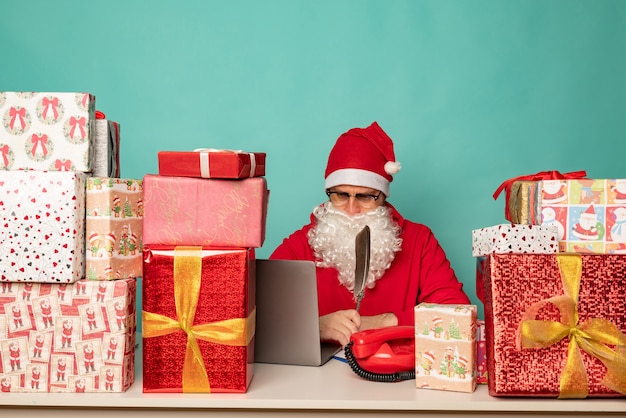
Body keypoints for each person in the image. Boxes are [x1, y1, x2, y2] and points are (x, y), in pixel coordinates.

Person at [270, 121, 470, 347]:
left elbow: (457, 314)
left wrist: (384, 322)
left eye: (365, 197)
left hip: (396, 377)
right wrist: (315, 327)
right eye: (341, 195)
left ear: (383, 196)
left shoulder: (419, 240)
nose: (352, 209)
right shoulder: (300, 245)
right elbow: (258, 317)